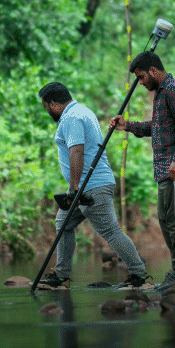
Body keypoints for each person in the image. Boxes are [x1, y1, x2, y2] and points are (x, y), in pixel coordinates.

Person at [37, 82, 150, 290]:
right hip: (87, 184)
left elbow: (77, 150)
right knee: (63, 223)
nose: (47, 111)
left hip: (90, 186)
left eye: (46, 107)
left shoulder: (71, 118)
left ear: (53, 104)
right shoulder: (82, 111)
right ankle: (61, 277)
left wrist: (74, 188)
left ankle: (140, 277)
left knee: (110, 231)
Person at [109, 52, 175, 292]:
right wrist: (128, 126)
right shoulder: (161, 94)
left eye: (141, 77)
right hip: (164, 169)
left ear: (153, 71)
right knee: (165, 219)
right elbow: (158, 128)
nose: (140, 82)